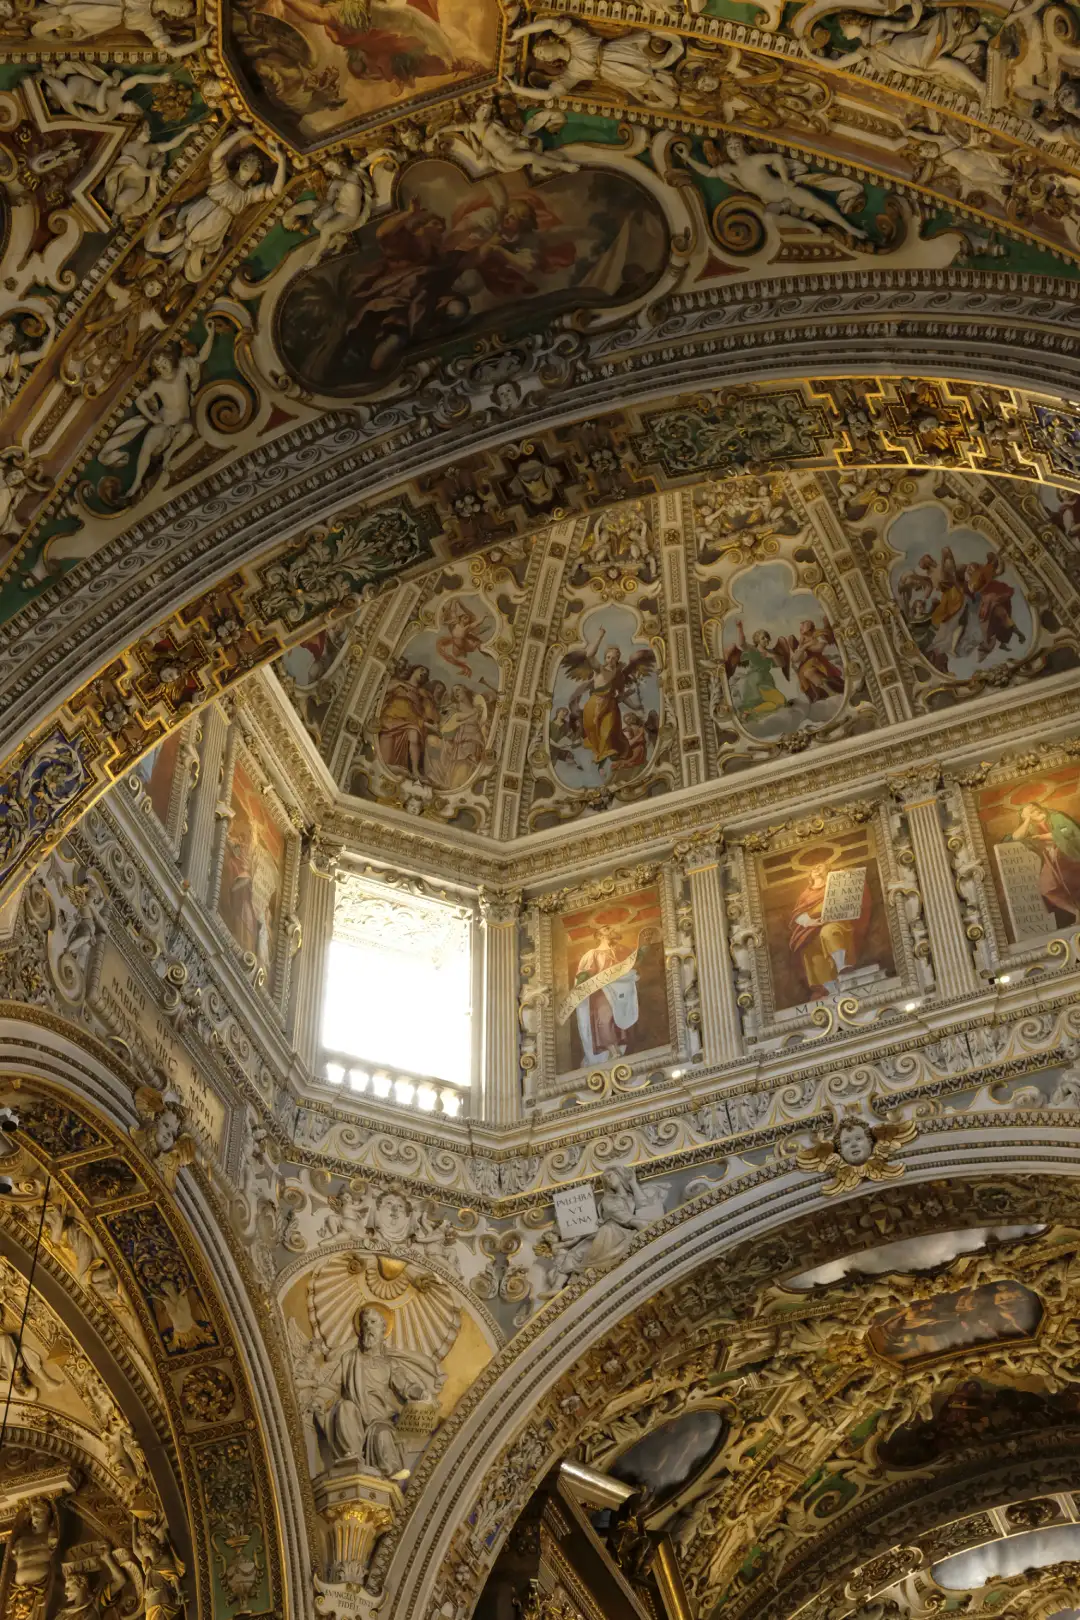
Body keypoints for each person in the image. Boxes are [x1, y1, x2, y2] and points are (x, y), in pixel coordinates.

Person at [327, 1306, 438, 1478]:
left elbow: (406, 1386)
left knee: (383, 1435)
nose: (368, 1328)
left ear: (383, 1328)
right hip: (356, 1416)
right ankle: (351, 1456)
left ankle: (390, 1476)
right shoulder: (350, 1359)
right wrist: (318, 1401)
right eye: (364, 1324)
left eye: (373, 1323)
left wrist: (421, 1393)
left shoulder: (389, 1364)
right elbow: (332, 1384)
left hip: (379, 1420)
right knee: (345, 1407)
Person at [788, 863, 870, 998]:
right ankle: (831, 990)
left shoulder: (835, 885)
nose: (815, 868)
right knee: (810, 951)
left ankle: (841, 965)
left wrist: (846, 877)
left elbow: (849, 898)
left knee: (829, 932)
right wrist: (810, 922)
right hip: (812, 929)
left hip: (835, 921)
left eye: (819, 866)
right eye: (813, 868)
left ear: (827, 870)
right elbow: (798, 914)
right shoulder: (805, 894)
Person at [567, 925, 639, 1064]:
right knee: (604, 1019)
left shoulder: (622, 950)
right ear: (599, 936)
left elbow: (631, 967)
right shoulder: (592, 954)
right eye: (606, 929)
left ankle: (621, 1048)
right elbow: (585, 973)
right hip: (602, 992)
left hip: (620, 991)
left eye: (612, 928)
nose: (611, 930)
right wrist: (584, 976)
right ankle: (613, 1050)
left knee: (620, 1017)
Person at [1005, 801, 1080, 924]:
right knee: (1047, 888)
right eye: (1031, 812)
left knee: (1069, 883)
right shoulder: (1030, 826)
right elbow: (1016, 837)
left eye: (1036, 808)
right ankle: (1076, 912)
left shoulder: (1056, 816)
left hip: (1070, 854)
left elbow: (1069, 832)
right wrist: (1027, 820)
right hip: (1051, 859)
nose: (1036, 811)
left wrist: (1042, 837)